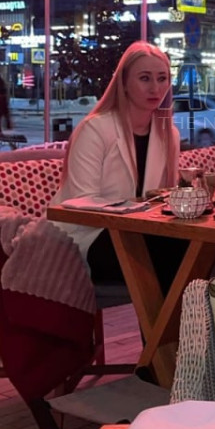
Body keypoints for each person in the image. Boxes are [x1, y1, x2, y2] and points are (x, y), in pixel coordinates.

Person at [52, 42, 185, 291]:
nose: (155, 88)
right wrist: (137, 213)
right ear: (123, 83)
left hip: (141, 232)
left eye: (162, 78)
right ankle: (176, 318)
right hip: (89, 235)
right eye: (144, 78)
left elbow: (164, 198)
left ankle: (180, 318)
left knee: (197, 247)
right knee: (172, 252)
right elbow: (82, 202)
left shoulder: (169, 134)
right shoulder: (95, 128)